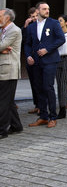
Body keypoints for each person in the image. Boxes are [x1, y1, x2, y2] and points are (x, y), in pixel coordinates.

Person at [25, 2, 65, 128]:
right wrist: (28, 56)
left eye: (48, 8)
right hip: (36, 62)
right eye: (44, 9)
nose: (47, 11)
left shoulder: (53, 23)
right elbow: (27, 43)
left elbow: (61, 39)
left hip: (50, 60)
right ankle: (43, 116)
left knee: (48, 87)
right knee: (39, 88)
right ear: (38, 11)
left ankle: (53, 117)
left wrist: (47, 49)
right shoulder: (32, 27)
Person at [0, 8, 23, 139]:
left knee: (3, 101)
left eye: (0, 15)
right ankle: (16, 125)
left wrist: (2, 48)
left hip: (8, 70)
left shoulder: (14, 30)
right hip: (3, 70)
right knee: (8, 101)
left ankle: (2, 130)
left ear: (7, 17)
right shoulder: (3, 30)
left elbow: (2, 45)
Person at [22, 7, 40, 115]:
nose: (34, 18)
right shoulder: (28, 27)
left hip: (40, 59)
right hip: (30, 59)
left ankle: (41, 106)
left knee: (40, 84)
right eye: (32, 16)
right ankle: (36, 104)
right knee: (33, 83)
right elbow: (24, 41)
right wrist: (25, 26)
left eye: (36, 16)